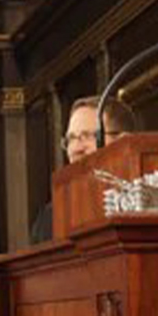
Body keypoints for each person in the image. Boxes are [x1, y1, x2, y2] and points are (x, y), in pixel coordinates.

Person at [29, 96, 140, 243]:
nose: (76, 149)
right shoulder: (51, 217)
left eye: (87, 136)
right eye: (71, 139)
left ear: (123, 141)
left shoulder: (147, 200)